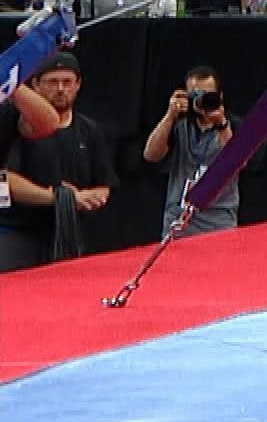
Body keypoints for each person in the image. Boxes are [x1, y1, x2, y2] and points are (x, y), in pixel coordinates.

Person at [0, 54, 117, 272]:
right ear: (35, 84)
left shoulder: (89, 130)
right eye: (53, 82)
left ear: (78, 84)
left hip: (69, 233)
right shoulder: (13, 121)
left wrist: (92, 198)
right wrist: (61, 197)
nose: (61, 89)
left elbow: (103, 182)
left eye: (67, 82)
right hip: (18, 233)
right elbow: (6, 181)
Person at [141, 65, 239, 236]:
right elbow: (150, 155)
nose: (201, 102)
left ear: (220, 96)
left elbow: (238, 162)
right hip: (179, 219)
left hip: (218, 221)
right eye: (196, 96)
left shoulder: (232, 124)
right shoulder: (179, 125)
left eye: (207, 96)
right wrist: (170, 115)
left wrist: (222, 125)